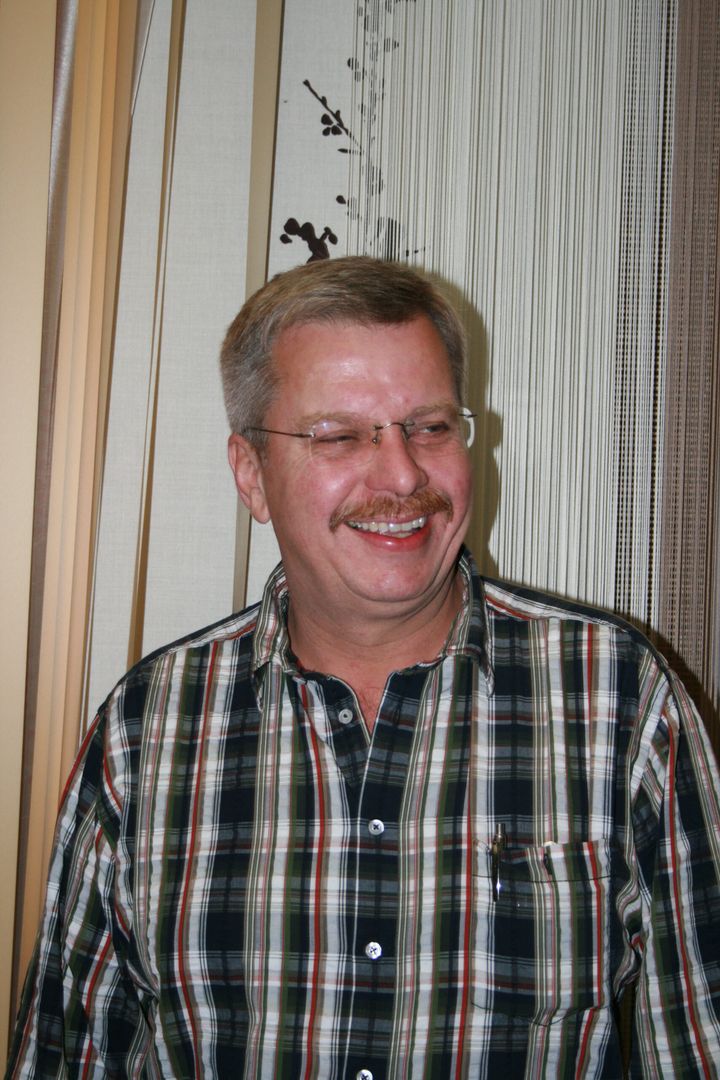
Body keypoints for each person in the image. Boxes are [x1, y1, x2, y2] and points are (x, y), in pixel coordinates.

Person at [7, 257, 720, 1079]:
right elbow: (64, 1055)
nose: (403, 475)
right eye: (341, 436)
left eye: (431, 426)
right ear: (251, 474)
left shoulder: (620, 700)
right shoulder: (148, 728)